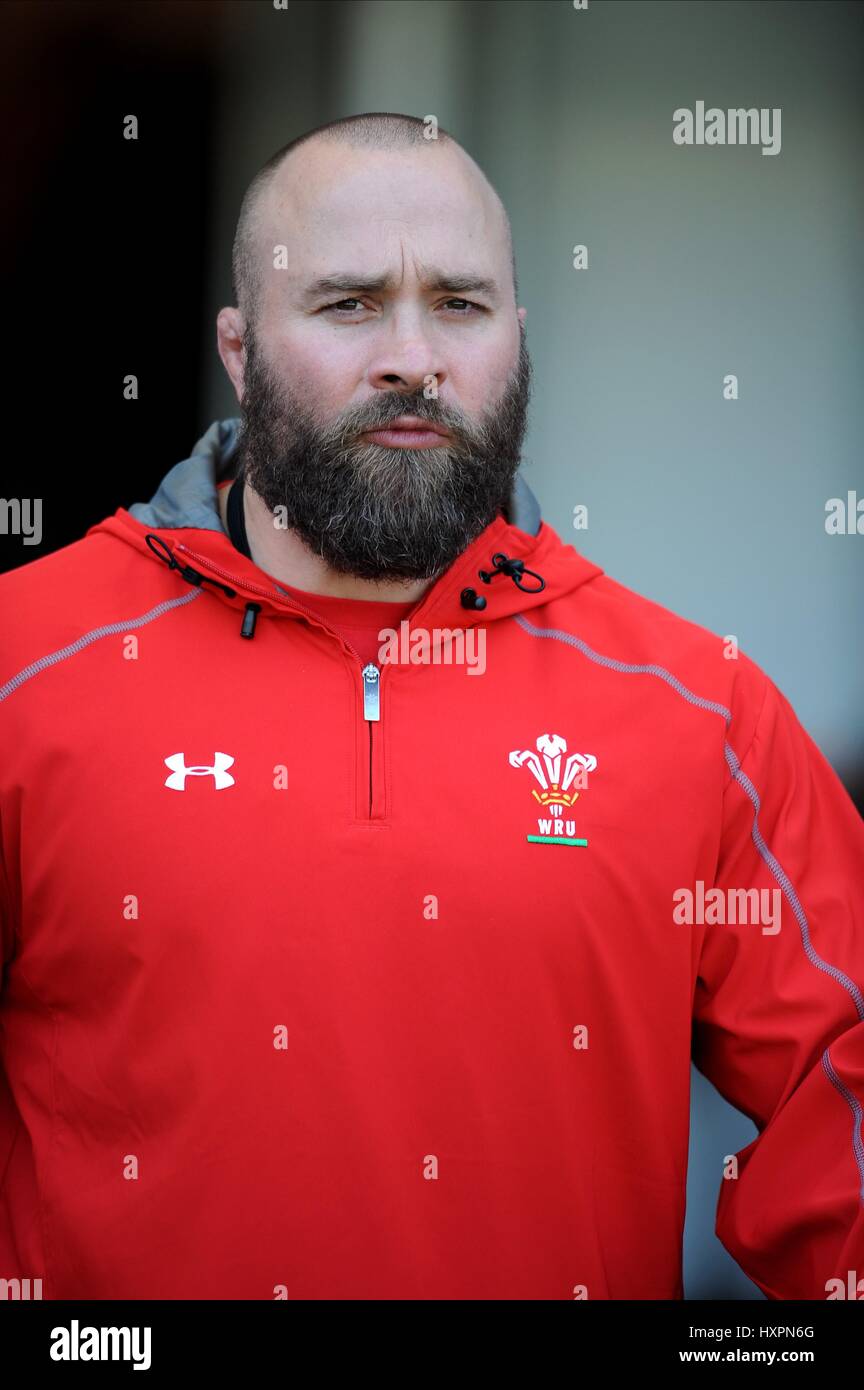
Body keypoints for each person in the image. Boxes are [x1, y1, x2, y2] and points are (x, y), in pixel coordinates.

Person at [0, 112, 861, 1302]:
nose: (414, 354)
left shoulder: (699, 711)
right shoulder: (25, 667)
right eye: (349, 304)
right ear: (239, 352)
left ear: (520, 334)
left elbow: (844, 1095)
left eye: (460, 303)